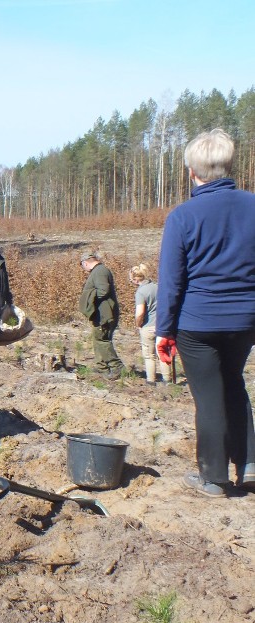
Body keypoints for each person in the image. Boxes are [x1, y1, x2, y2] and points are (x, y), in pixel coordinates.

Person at [155, 128, 255, 498]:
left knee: (210, 396)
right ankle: (249, 464)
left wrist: (164, 331)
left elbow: (171, 281)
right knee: (233, 381)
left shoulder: (184, 216)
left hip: (197, 323)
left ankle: (213, 477)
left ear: (192, 173)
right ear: (229, 166)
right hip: (246, 321)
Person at [78, 252, 123, 378]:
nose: (84, 270)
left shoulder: (100, 271)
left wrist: (88, 298)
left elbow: (103, 290)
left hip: (104, 314)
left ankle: (117, 367)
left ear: (85, 263)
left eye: (83, 266)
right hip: (101, 313)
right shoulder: (99, 271)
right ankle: (101, 366)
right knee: (97, 339)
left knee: (102, 340)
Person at [128, 264, 170, 385]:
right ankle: (167, 380)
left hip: (148, 326)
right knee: (163, 352)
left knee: (149, 355)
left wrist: (138, 324)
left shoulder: (141, 292)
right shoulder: (157, 287)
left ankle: (151, 380)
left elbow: (140, 313)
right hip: (162, 325)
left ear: (136, 279)